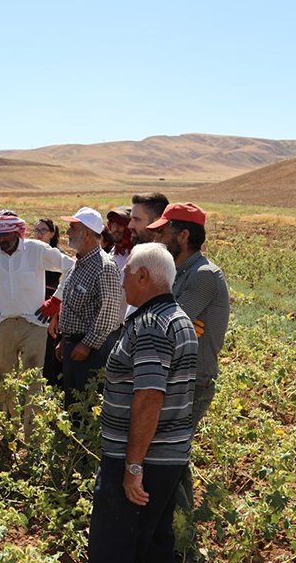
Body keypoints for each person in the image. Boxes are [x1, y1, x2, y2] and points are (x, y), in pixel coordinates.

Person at [88, 243, 199, 562]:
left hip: (141, 461)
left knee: (115, 549)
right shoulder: (178, 320)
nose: (121, 282)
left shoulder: (151, 325)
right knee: (153, 548)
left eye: (125, 274)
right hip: (166, 459)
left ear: (143, 276)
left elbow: (150, 398)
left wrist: (133, 466)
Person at [148, 202, 231, 560]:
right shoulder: (181, 272)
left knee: (172, 458)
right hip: (177, 381)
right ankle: (178, 535)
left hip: (192, 384)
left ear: (184, 235)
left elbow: (166, 322)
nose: (159, 238)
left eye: (164, 232)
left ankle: (185, 543)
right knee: (172, 459)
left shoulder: (203, 275)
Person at [0, 210, 71, 424]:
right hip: (4, 323)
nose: (1, 240)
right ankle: (9, 429)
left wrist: (55, 301)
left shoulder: (37, 250)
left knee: (33, 379)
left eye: (5, 235)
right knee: (2, 377)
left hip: (34, 323)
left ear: (17, 232)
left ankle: (31, 432)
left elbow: (70, 266)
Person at [46, 207, 124, 404]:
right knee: (73, 400)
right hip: (75, 345)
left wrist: (86, 345)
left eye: (72, 227)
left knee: (87, 403)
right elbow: (71, 305)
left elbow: (108, 314)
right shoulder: (79, 264)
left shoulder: (104, 267)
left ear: (87, 233)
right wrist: (65, 340)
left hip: (92, 350)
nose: (67, 232)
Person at [32, 218, 67, 388]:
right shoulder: (31, 253)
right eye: (36, 230)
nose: (39, 234)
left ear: (52, 233)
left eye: (43, 230)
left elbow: (63, 286)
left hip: (51, 306)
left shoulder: (57, 255)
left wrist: (55, 314)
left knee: (48, 351)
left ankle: (49, 388)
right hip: (33, 305)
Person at [105, 206, 134, 272]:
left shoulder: (139, 254)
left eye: (121, 224)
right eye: (113, 223)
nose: (116, 228)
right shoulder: (109, 257)